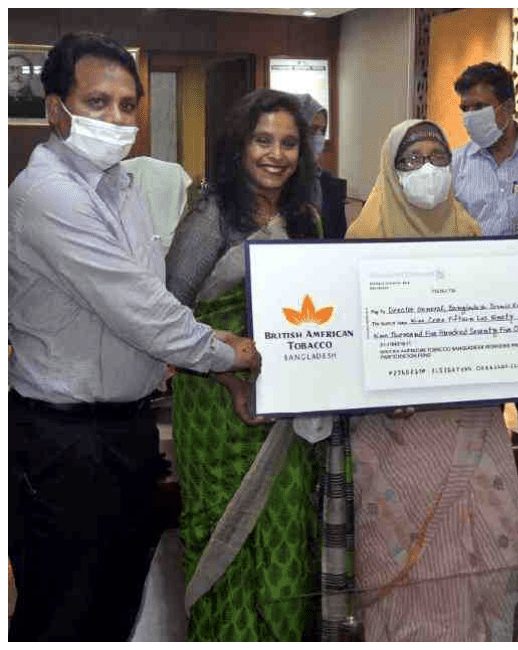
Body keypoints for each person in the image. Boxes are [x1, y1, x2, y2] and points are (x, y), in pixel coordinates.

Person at [8, 31, 259, 641]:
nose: (116, 119)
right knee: (65, 611)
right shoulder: (48, 195)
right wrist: (230, 350)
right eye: (97, 103)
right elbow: (140, 311)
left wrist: (216, 364)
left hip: (124, 433)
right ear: (55, 110)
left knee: (117, 600)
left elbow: (154, 306)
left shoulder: (122, 187)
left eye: (127, 106)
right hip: (65, 441)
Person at [345, 118, 518, 641]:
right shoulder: (361, 238)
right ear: (390, 168)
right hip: (394, 432)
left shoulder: (469, 232)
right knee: (405, 564)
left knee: (482, 546)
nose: (427, 169)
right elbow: (347, 346)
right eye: (411, 160)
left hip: (472, 422)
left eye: (438, 158)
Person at [165, 88, 324, 641]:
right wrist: (232, 381)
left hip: (284, 412)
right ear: (240, 146)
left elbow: (318, 312)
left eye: (289, 143)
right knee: (221, 535)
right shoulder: (211, 216)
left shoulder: (305, 216)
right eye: (263, 140)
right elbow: (171, 318)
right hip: (215, 405)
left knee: (285, 533)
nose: (276, 154)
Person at [452, 61, 518, 236]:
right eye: (465, 109)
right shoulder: (455, 164)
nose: (470, 116)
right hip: (474, 261)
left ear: (508, 107)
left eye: (479, 107)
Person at [295, 93, 349, 239]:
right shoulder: (280, 182)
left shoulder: (329, 184)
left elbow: (339, 238)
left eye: (322, 131)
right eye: (312, 130)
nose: (319, 137)